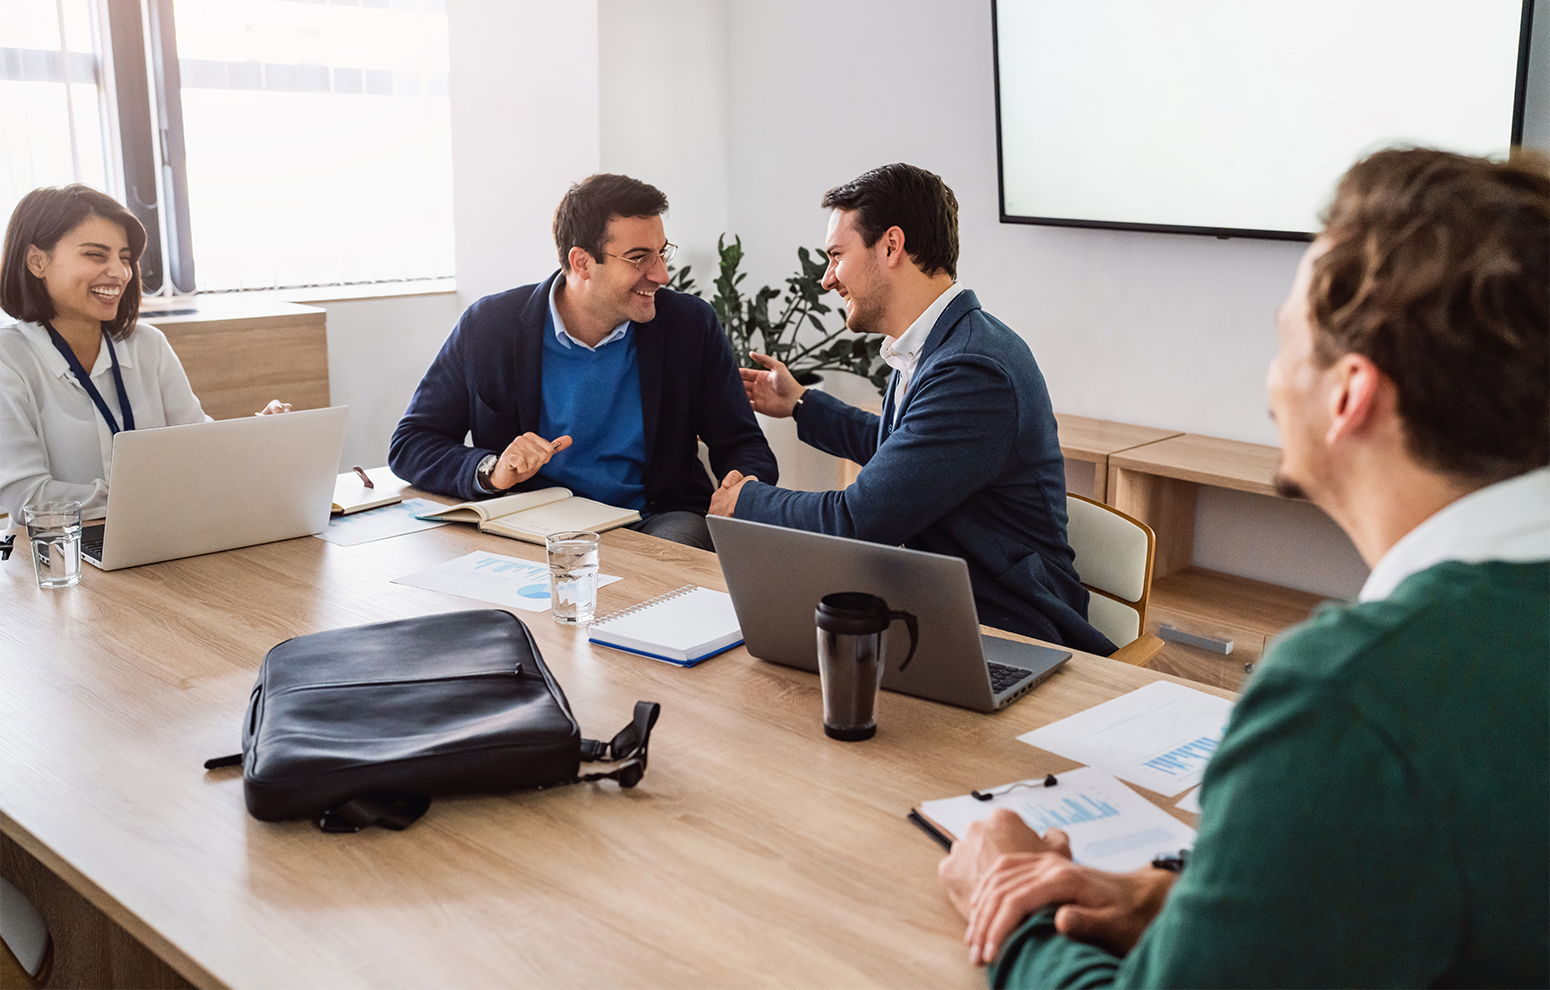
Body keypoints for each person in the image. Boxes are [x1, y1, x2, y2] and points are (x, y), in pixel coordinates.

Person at [937, 148, 1548, 987]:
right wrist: (1180, 902)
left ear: (1349, 395)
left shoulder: (1348, 698)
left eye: (1284, 342)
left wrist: (1013, 915)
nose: (1269, 384)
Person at [710, 164, 1112, 654]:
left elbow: (857, 521)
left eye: (837, 255)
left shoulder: (973, 369)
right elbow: (905, 452)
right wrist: (799, 404)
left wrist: (745, 502)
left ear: (891, 246)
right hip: (942, 607)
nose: (826, 279)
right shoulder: (934, 346)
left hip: (1009, 630)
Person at [389, 173, 776, 551]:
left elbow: (741, 442)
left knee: (658, 572)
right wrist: (493, 470)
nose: (661, 273)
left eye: (661, 252)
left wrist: (743, 487)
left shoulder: (689, 325)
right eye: (640, 258)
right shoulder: (489, 326)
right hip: (528, 520)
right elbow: (412, 443)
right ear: (582, 262)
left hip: (655, 520)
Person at [0, 184, 289, 522]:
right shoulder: (9, 358)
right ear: (37, 261)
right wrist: (150, 494)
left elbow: (199, 446)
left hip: (162, 537)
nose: (120, 272)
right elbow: (28, 498)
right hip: (65, 555)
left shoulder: (148, 345)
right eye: (96, 254)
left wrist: (260, 434)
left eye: (124, 257)